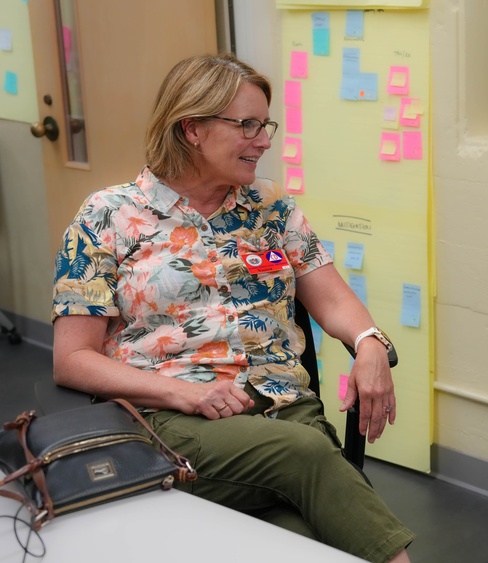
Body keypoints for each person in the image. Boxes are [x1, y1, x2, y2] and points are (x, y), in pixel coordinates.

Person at [51, 53, 414, 563]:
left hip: (287, 413)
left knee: (303, 543)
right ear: (192, 128)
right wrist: (183, 394)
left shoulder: (272, 209)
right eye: (247, 125)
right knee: (310, 460)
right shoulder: (106, 216)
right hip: (175, 419)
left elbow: (332, 298)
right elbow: (72, 360)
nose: (264, 140)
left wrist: (370, 342)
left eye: (265, 124)